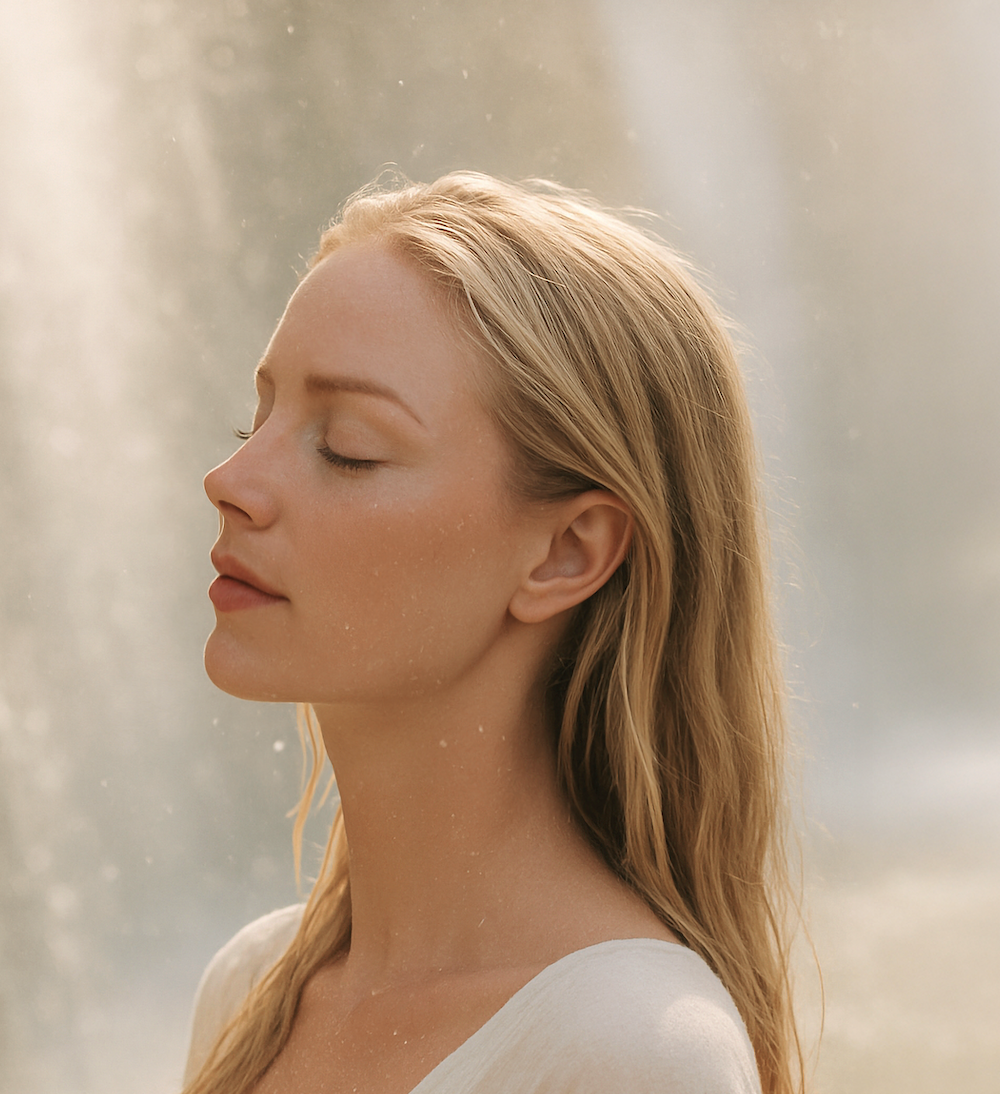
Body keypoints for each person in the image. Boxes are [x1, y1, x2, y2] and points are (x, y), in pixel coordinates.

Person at [184, 172, 802, 1094]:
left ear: (565, 552)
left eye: (347, 445)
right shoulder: (253, 989)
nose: (231, 477)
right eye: (260, 416)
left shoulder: (634, 1049)